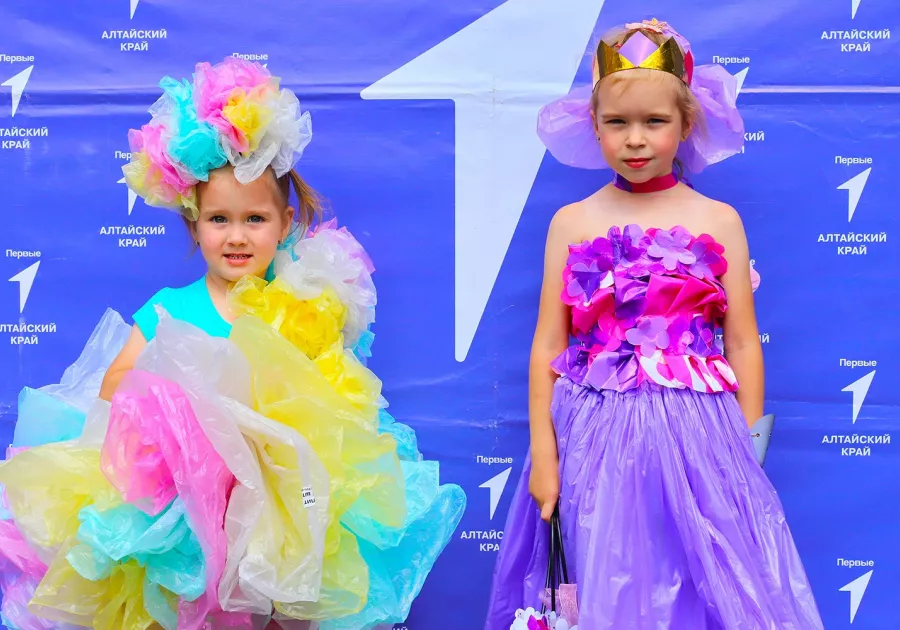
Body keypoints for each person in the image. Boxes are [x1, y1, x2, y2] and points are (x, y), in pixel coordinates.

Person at [0, 56, 465, 630]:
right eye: (219, 219)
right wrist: (185, 407)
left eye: (255, 220)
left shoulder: (301, 309)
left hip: (281, 505)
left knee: (277, 609)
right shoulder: (169, 309)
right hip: (185, 512)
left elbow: (336, 399)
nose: (237, 236)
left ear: (285, 222)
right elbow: (115, 385)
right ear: (194, 223)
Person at [484, 19, 824, 629]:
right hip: (594, 438)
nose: (635, 139)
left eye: (654, 121)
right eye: (617, 122)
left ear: (686, 124)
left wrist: (746, 450)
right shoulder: (571, 222)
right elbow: (548, 344)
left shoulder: (719, 220)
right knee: (602, 572)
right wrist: (544, 453)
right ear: (594, 126)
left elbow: (742, 342)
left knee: (706, 577)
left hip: (701, 439)